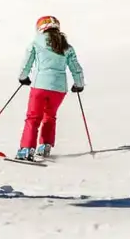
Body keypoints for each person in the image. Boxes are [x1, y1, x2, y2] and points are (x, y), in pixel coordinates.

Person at [15, 15, 85, 160]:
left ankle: (26, 149)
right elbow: (76, 68)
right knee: (50, 116)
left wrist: (23, 77)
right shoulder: (66, 46)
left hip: (40, 86)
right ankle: (45, 146)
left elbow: (27, 62)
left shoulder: (36, 42)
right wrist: (79, 84)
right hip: (59, 89)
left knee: (33, 117)